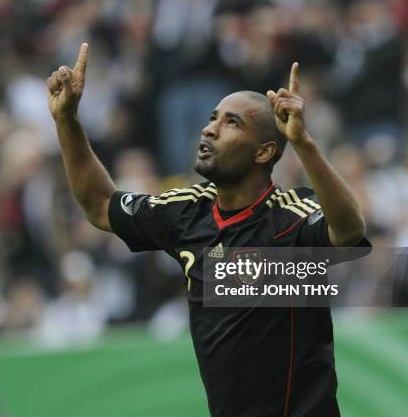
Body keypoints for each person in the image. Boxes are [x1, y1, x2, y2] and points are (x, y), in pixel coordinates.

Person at [46, 43, 369, 417]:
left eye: (232, 123)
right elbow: (100, 205)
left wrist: (302, 143)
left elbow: (347, 231)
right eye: (213, 117)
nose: (210, 128)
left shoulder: (291, 216)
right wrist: (66, 120)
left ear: (264, 152)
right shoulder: (186, 211)